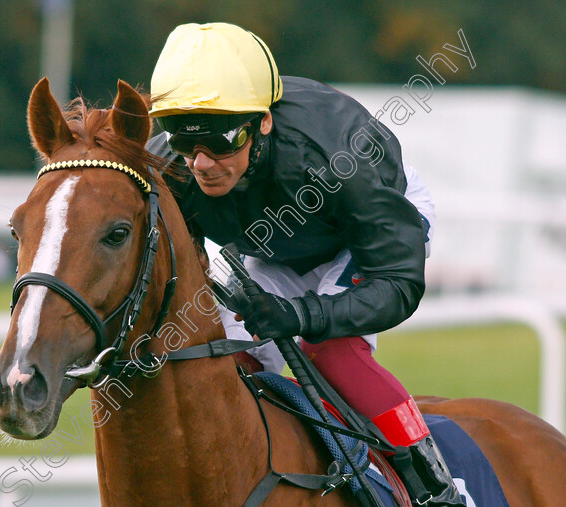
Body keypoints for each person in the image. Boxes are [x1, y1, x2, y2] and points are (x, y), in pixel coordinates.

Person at [146, 22, 460, 505]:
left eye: (220, 141)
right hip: (277, 249)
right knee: (226, 353)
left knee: (327, 350)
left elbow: (397, 284)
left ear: (263, 122)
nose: (202, 163)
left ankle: (434, 485)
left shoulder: (341, 156)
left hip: (367, 236)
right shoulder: (172, 164)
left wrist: (301, 315)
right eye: (186, 143)